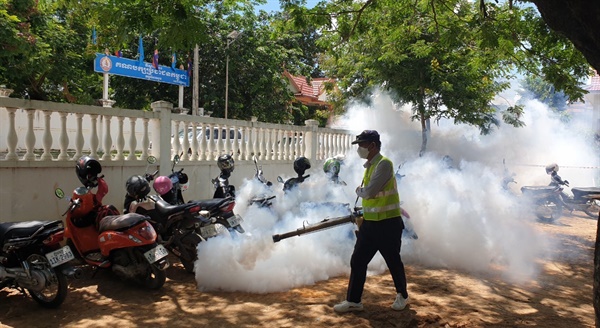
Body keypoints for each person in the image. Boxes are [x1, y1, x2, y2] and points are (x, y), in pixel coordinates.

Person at [333, 130, 409, 313]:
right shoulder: (370, 166)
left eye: (362, 144)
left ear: (372, 145)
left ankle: (403, 296)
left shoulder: (384, 165)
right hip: (370, 224)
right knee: (358, 260)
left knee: (393, 261)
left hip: (388, 224)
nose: (359, 149)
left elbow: (369, 192)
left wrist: (359, 191)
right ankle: (353, 301)